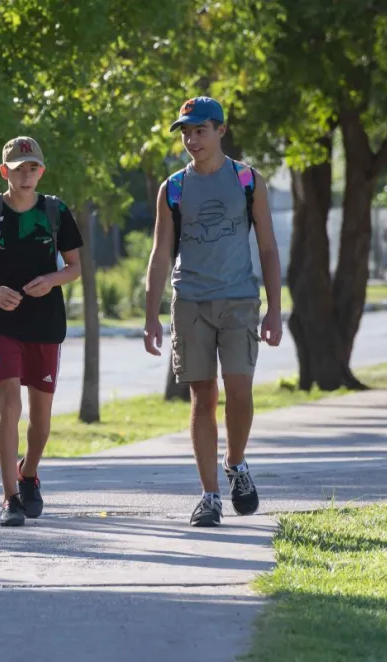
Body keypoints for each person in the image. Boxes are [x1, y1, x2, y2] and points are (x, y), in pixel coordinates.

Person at [143, 97, 282, 527]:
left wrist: (275, 310)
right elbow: (160, 254)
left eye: (200, 130)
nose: (191, 139)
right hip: (190, 301)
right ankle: (209, 495)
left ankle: (236, 464)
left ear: (221, 130)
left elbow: (267, 246)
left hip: (240, 300)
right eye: (185, 131)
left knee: (240, 393)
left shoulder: (246, 180)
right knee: (203, 399)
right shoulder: (174, 187)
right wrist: (150, 314)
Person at [0, 136, 83, 527]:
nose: (26, 176)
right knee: (9, 404)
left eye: (33, 168)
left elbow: (75, 266)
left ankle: (29, 473)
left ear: (41, 171)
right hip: (2, 322)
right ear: (4, 172)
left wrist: (51, 279)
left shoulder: (56, 211)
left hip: (45, 323)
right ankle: (10, 497)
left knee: (41, 421)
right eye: (18, 169)